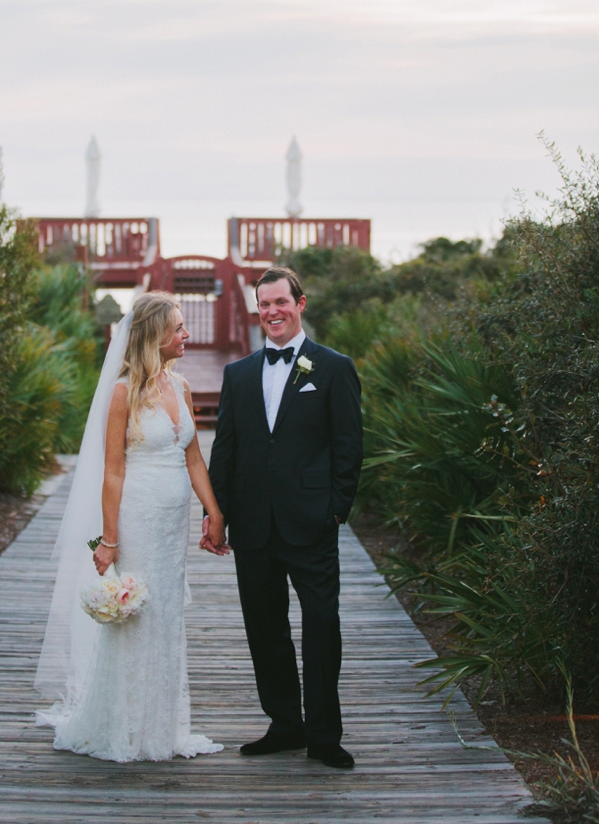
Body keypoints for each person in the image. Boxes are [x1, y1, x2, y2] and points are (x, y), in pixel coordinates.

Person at [35, 291, 228, 763]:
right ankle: (122, 728)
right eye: (178, 328)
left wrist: (216, 513)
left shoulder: (180, 388)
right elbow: (113, 470)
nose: (187, 335)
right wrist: (109, 538)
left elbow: (194, 456)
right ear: (154, 336)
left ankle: (160, 730)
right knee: (136, 618)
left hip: (172, 527)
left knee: (165, 619)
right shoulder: (122, 392)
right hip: (137, 521)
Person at [204, 266, 363, 769]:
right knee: (265, 628)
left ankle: (323, 734)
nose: (272, 311)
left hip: (311, 522)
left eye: (280, 302)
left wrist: (335, 509)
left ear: (301, 303)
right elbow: (225, 448)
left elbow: (349, 447)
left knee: (321, 626)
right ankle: (285, 725)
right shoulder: (239, 373)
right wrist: (218, 515)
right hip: (252, 525)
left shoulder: (334, 368)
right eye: (264, 304)